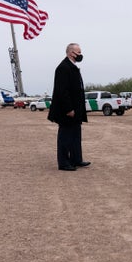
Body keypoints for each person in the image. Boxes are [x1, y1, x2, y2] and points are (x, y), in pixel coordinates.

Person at [47, 43, 91, 171]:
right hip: (67, 111)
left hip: (76, 109)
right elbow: (62, 91)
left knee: (75, 135)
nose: (80, 55)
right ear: (70, 53)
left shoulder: (72, 67)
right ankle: (64, 162)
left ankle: (76, 159)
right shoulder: (63, 68)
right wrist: (69, 109)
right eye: (78, 52)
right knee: (65, 136)